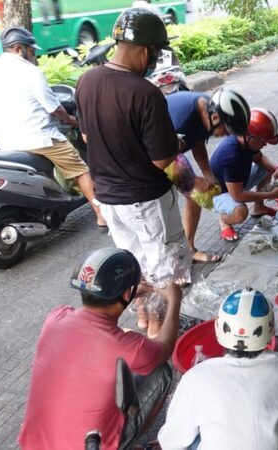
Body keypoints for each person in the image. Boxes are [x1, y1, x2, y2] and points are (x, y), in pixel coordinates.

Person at [75, 8, 198, 326]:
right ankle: (158, 337)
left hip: (111, 201)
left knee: (133, 267)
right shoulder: (145, 93)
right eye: (158, 52)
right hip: (146, 202)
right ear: (147, 50)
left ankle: (143, 319)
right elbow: (162, 160)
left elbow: (88, 136)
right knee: (162, 271)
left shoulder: (86, 81)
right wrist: (180, 145)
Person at [18, 248, 180, 449]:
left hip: (35, 443)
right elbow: (164, 347)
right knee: (160, 371)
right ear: (127, 292)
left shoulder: (56, 317)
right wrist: (174, 301)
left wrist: (126, 292)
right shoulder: (126, 347)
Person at [157, 289, 278, 449]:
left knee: (192, 436)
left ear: (219, 328)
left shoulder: (195, 378)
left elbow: (171, 442)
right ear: (270, 330)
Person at [0, 26, 105, 226]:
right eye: (32, 50)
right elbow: (54, 108)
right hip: (38, 138)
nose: (33, 54)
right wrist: (72, 121)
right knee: (80, 170)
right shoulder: (30, 71)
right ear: (19, 49)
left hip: (4, 139)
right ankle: (101, 215)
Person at [165, 88, 251, 262]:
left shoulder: (208, 110)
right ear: (215, 118)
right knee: (166, 208)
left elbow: (197, 142)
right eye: (227, 131)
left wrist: (208, 174)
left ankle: (188, 249)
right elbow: (162, 156)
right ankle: (173, 265)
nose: (226, 136)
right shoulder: (182, 120)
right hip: (151, 156)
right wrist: (194, 180)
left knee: (196, 196)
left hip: (171, 151)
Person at [210, 108, 278, 242]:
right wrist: (272, 194)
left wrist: (276, 169)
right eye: (263, 140)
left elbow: (259, 159)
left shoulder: (246, 142)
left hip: (236, 183)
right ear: (250, 136)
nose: (265, 144)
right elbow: (238, 195)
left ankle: (258, 207)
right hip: (218, 193)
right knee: (241, 212)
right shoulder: (231, 154)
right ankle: (224, 220)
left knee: (267, 168)